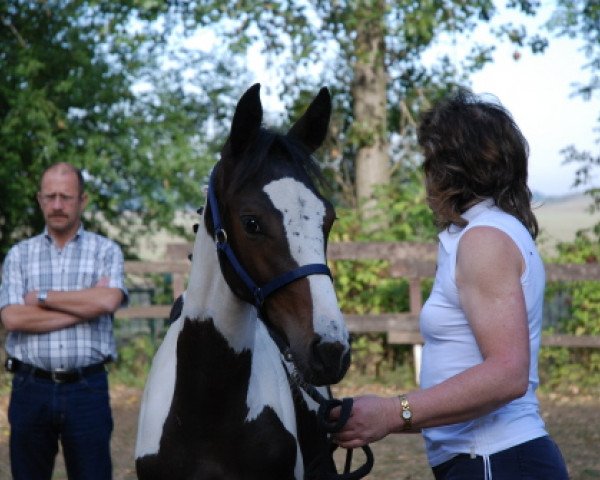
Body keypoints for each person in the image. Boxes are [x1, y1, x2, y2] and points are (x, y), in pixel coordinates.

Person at [332, 89, 569, 479]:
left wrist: (394, 411)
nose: (425, 179)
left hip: (497, 461)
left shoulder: (485, 240)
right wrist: (374, 418)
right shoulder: (488, 233)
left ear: (452, 170)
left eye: (429, 162)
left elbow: (508, 374)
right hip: (488, 461)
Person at [0, 162, 128, 480]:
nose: (58, 205)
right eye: (51, 196)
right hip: (30, 388)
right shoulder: (19, 255)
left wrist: (42, 298)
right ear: (40, 200)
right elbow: (13, 318)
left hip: (87, 389)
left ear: (82, 200)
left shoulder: (106, 251)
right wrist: (85, 305)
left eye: (66, 197)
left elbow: (109, 300)